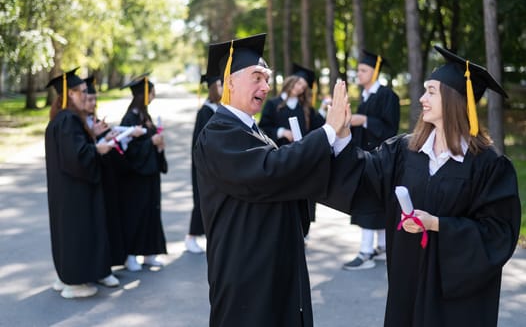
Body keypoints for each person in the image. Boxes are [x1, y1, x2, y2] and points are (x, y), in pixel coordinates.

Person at [323, 45, 521, 326]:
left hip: (457, 299)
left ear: (454, 99)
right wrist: (341, 134)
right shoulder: (404, 151)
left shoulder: (487, 165)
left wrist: (437, 224)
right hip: (408, 284)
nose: (421, 98)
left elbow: (498, 233)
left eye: (430, 91)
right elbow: (364, 176)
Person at [193, 33, 348, 327]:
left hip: (269, 261)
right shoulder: (219, 133)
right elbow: (268, 171)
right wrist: (327, 132)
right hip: (245, 269)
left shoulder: (250, 129)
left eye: (267, 78)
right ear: (229, 82)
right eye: (257, 77)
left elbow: (286, 175)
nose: (266, 86)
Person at [45, 68, 119, 299]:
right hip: (75, 192)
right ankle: (74, 284)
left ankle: (65, 276)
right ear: (70, 94)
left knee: (66, 234)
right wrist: (97, 148)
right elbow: (76, 157)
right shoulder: (68, 120)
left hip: (64, 191)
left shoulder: (60, 119)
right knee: (77, 234)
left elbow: (71, 151)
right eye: (81, 92)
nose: (86, 96)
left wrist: (92, 136)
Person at [343, 50, 400, 270]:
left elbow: (390, 129)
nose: (359, 74)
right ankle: (383, 247)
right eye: (358, 70)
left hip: (381, 158)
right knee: (373, 202)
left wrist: (364, 120)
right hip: (365, 157)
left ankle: (366, 252)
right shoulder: (365, 96)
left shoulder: (388, 96)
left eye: (363, 70)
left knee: (370, 203)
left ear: (375, 72)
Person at [259, 63, 326, 236]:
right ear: (290, 82)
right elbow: (263, 127)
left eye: (303, 87)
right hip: (280, 155)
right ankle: (282, 229)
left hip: (302, 158)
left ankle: (303, 230)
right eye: (298, 84)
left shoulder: (305, 108)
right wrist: (281, 132)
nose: (299, 89)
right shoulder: (273, 104)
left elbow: (318, 128)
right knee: (284, 192)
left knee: (303, 193)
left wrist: (324, 109)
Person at [118, 74, 168, 271]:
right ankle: (130, 255)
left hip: (150, 173)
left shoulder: (144, 116)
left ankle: (149, 253)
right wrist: (150, 142)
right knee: (135, 214)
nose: (153, 96)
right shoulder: (129, 118)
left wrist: (159, 145)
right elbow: (129, 149)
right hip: (136, 176)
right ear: (143, 94)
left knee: (151, 212)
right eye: (152, 92)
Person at [83, 76, 127, 267]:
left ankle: (109, 264)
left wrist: (109, 137)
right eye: (89, 99)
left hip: (105, 179)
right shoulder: (76, 124)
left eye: (94, 100)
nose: (92, 103)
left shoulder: (97, 121)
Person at [186, 73, 223, 254]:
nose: (223, 88)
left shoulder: (219, 109)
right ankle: (191, 236)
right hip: (204, 165)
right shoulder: (205, 111)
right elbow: (199, 142)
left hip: (216, 166)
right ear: (212, 89)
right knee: (201, 200)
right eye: (219, 85)